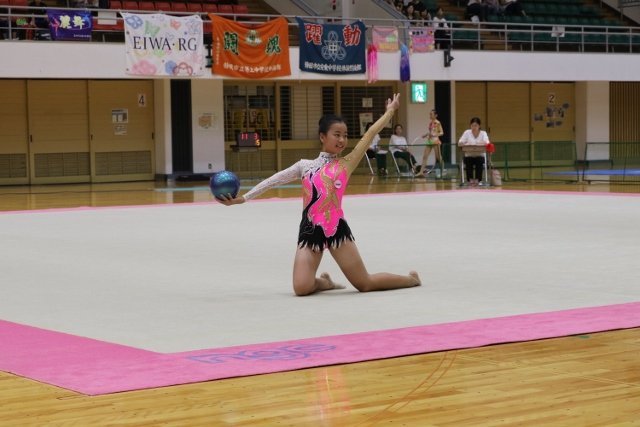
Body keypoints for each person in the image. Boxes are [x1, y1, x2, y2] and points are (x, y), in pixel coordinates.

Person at [218, 94, 421, 296]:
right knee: (301, 288)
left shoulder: (346, 163)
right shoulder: (304, 166)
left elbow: (370, 133)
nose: (342, 140)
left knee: (364, 283)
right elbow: (273, 180)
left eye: (345, 135)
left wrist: (390, 111)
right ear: (322, 136)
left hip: (335, 229)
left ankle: (410, 279)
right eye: (336, 134)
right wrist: (243, 199)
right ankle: (324, 283)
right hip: (309, 230)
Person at [458, 116, 490, 186]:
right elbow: (460, 142)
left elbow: (487, 143)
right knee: (468, 161)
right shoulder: (467, 132)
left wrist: (477, 143)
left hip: (479, 155)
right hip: (469, 155)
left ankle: (478, 180)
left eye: (476, 125)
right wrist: (465, 143)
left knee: (479, 161)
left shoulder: (483, 133)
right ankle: (470, 180)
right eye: (472, 125)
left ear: (479, 126)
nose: (474, 127)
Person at [415, 109, 444, 177]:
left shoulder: (438, 123)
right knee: (425, 156)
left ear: (435, 115)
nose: (430, 115)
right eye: (430, 114)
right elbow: (431, 132)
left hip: (435, 141)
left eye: (431, 114)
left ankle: (443, 170)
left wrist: (434, 135)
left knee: (438, 157)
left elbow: (442, 133)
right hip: (429, 141)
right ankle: (421, 172)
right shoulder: (430, 123)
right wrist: (426, 135)